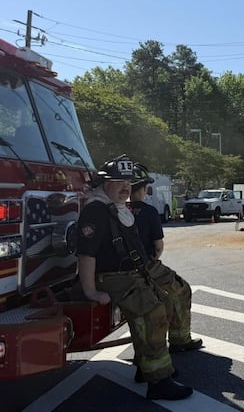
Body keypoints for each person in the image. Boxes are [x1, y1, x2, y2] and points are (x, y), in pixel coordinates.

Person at [77, 154, 193, 401]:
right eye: (119, 181)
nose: (126, 187)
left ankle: (148, 365)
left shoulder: (117, 208)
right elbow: (86, 255)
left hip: (137, 269)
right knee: (152, 313)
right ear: (105, 183)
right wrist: (90, 292)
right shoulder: (95, 211)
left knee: (170, 296)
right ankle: (159, 381)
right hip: (114, 276)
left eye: (128, 182)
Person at [128, 163, 202, 383]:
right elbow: (158, 246)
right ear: (142, 189)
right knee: (181, 289)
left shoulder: (118, 210)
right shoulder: (149, 211)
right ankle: (180, 342)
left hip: (121, 270)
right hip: (147, 266)